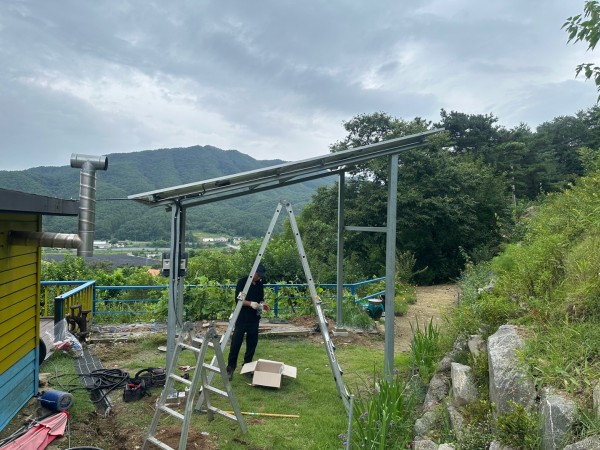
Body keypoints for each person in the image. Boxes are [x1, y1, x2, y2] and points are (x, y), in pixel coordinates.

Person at [226, 263, 269, 380]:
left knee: (252, 343)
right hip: (242, 318)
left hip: (254, 319)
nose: (259, 277)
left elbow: (261, 299)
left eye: (260, 276)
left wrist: (262, 305)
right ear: (254, 272)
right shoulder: (243, 282)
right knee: (236, 343)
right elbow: (238, 300)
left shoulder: (259, 284)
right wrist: (250, 303)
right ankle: (230, 368)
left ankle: (247, 366)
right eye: (258, 275)